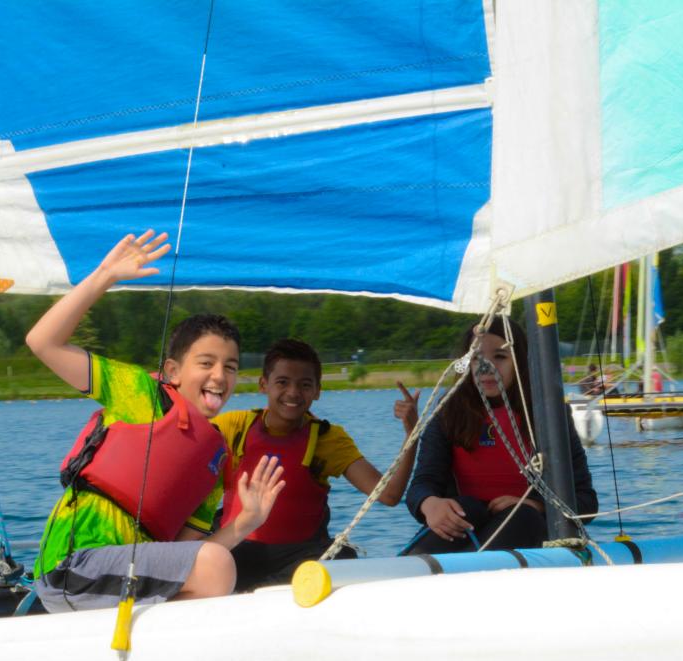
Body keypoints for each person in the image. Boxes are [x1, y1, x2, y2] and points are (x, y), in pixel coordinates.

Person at [26, 230, 285, 612]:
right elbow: (42, 342)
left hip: (123, 580)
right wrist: (105, 276)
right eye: (206, 363)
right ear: (173, 371)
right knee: (217, 566)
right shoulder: (139, 394)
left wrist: (245, 523)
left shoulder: (213, 461)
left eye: (230, 367)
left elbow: (187, 557)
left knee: (216, 566)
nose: (219, 376)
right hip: (72, 569)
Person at [213, 338, 420, 591]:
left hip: (298, 558)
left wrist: (412, 433)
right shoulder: (234, 427)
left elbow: (389, 495)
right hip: (235, 550)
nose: (293, 392)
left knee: (342, 558)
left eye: (305, 385)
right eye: (282, 382)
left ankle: (259, 590)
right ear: (263, 385)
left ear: (317, 391)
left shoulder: (327, 439)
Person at [403, 317, 597, 554]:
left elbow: (586, 501)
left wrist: (537, 505)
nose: (487, 367)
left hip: (528, 527)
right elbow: (421, 485)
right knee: (466, 508)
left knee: (521, 515)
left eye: (500, 357)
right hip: (467, 523)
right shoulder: (448, 412)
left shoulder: (547, 413)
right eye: (477, 358)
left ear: (519, 361)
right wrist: (429, 503)